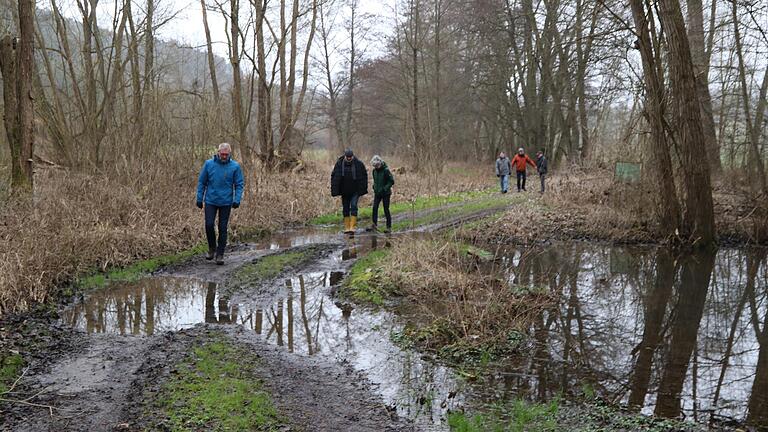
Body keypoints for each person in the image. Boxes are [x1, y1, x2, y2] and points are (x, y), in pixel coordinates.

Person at [196, 143, 244, 265]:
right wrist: (199, 198)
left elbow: (239, 184)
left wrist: (237, 200)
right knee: (209, 225)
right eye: (222, 154)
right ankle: (212, 248)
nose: (224, 156)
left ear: (229, 154)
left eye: (226, 154)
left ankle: (220, 254)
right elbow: (202, 182)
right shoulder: (209, 164)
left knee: (223, 228)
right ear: (218, 152)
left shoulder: (235, 166)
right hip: (211, 200)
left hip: (226, 202)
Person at [330, 148, 368, 234]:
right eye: (348, 157)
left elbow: (364, 176)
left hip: (355, 190)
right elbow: (334, 177)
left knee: (354, 206)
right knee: (345, 208)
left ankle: (353, 227)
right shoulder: (339, 164)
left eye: (351, 157)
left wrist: (363, 189)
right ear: (345, 156)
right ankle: (347, 227)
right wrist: (335, 190)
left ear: (353, 156)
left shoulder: (359, 164)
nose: (349, 158)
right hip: (344, 191)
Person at [370, 155, 395, 232]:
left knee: (386, 209)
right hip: (377, 193)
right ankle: (374, 225)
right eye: (374, 165)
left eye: (377, 165)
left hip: (386, 193)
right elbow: (375, 181)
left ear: (380, 163)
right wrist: (374, 186)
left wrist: (385, 188)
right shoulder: (374, 171)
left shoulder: (386, 170)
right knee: (374, 208)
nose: (376, 167)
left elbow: (391, 181)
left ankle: (389, 227)